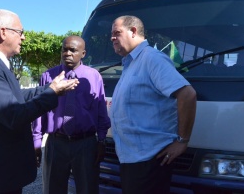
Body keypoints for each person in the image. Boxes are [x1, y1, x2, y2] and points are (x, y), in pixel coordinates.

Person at [0, 9, 79, 194]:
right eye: (20, 32)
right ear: (3, 32)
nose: (23, 37)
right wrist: (51, 94)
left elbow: (18, 96)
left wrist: (49, 88)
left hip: (2, 171)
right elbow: (13, 115)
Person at [110, 15, 197, 194]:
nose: (112, 38)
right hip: (131, 158)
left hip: (149, 161)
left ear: (133, 31)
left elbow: (187, 95)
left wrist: (182, 141)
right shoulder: (130, 64)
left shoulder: (151, 58)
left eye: (116, 33)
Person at [32, 35, 111, 194]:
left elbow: (101, 109)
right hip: (56, 143)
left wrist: (101, 140)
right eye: (64, 50)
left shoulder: (94, 76)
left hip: (85, 143)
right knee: (52, 189)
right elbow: (38, 112)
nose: (67, 53)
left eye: (73, 50)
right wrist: (36, 142)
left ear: (83, 53)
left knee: (88, 188)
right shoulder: (48, 77)